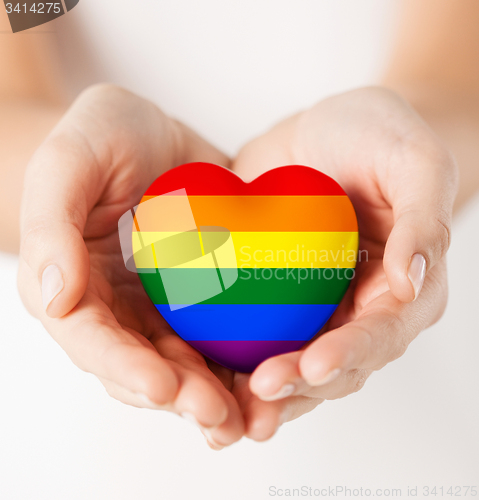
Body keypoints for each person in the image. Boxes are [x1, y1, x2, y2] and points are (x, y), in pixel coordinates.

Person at [0, 0, 478, 451]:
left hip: (415, 396)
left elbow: (458, 80)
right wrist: (70, 189)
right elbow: (10, 100)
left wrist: (409, 157)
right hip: (71, 420)